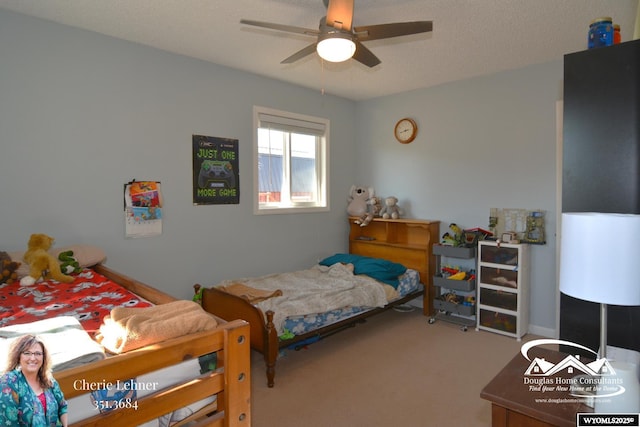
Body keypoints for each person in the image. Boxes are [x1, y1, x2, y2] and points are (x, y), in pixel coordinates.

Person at [0, 334, 68, 426]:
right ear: (18, 356)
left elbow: (63, 406)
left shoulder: (49, 381)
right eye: (27, 353)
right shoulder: (8, 382)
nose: (33, 358)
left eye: (38, 353)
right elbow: (9, 423)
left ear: (43, 358)